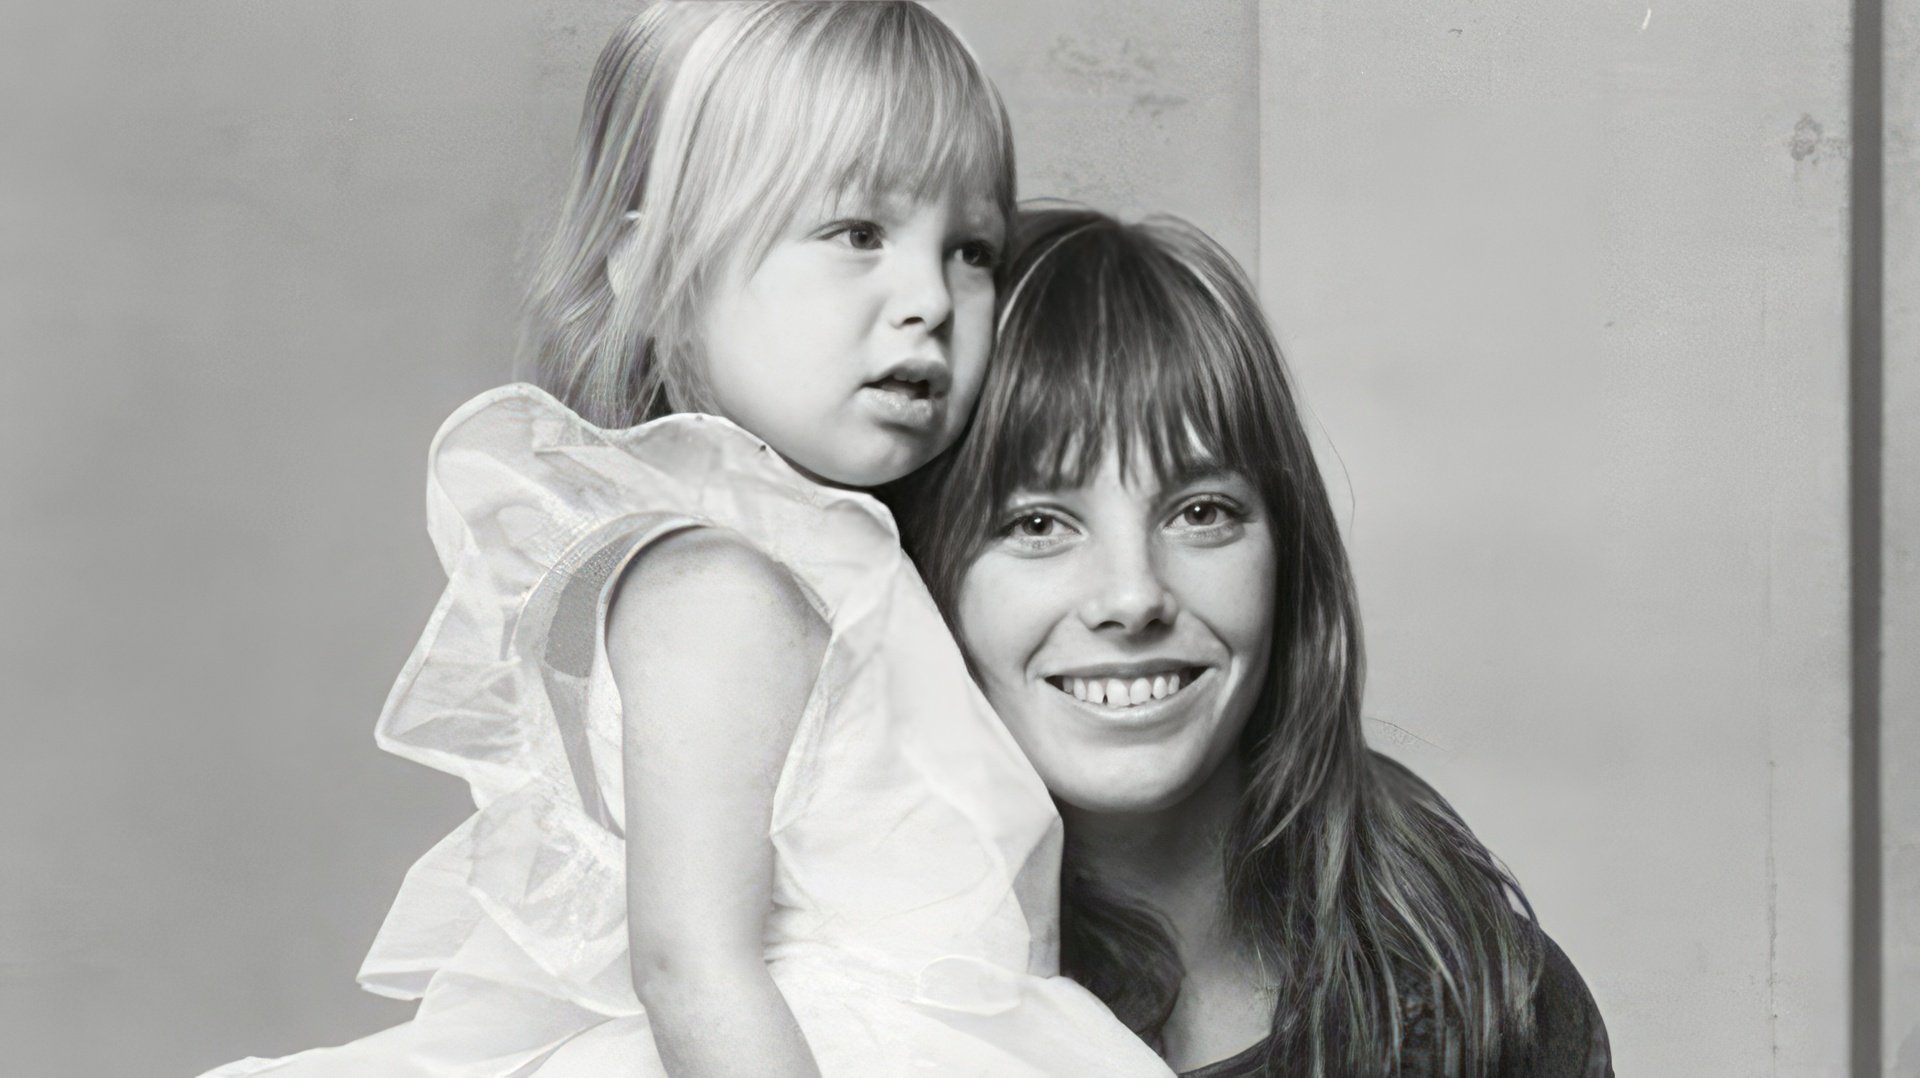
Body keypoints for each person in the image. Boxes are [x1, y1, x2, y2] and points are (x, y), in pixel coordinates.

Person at [203, 10, 1169, 1077]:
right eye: (857, 233)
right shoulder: (717, 589)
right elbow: (692, 965)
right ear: (652, 268)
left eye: (972, 250)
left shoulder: (831, 557)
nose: (930, 300)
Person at [891, 207, 1613, 1077]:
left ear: (1286, 550)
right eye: (1037, 522)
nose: (1133, 596)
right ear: (921, 569)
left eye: (1200, 513)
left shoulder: (1477, 982)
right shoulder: (830, 1005)